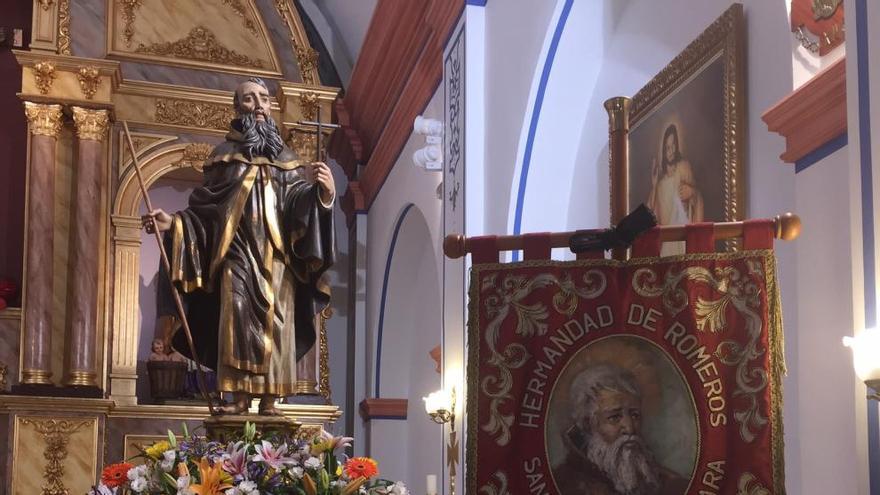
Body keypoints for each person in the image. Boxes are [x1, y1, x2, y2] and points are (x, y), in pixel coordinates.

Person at [142, 77, 336, 415]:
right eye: (249, 99)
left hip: (278, 258)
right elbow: (206, 213)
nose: (259, 105)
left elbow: (298, 206)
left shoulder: (287, 160)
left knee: (277, 322)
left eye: (264, 98)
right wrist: (172, 224)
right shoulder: (223, 158)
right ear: (238, 108)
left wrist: (324, 195)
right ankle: (240, 399)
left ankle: (272, 401)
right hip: (236, 254)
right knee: (236, 320)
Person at [551, 364, 688, 495]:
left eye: (635, 415)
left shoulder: (670, 484)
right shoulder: (563, 484)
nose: (629, 428)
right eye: (614, 417)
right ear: (588, 424)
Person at [646, 124, 703, 256]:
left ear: (677, 145)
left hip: (684, 241)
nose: (670, 151)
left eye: (673, 146)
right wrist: (654, 186)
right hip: (668, 246)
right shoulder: (660, 185)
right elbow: (650, 216)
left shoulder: (683, 168)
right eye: (667, 148)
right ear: (663, 151)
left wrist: (692, 193)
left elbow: (697, 198)